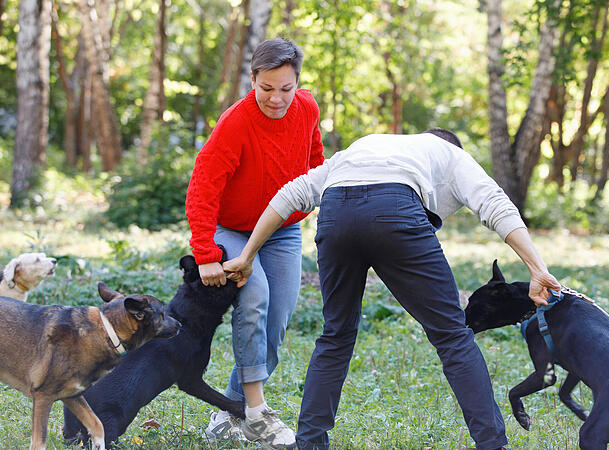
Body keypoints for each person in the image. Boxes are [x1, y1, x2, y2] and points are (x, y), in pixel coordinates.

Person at [222, 130, 561, 450]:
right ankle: (492, 444)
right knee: (452, 336)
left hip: (336, 211)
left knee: (336, 335)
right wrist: (537, 268)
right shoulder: (451, 153)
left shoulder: (366, 146)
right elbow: (495, 204)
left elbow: (289, 195)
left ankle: (310, 443)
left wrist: (247, 254)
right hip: (395, 209)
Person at [185, 37, 324, 448]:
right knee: (255, 295)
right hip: (232, 228)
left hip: (281, 230)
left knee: (277, 321)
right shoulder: (236, 122)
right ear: (252, 79)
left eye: (286, 89)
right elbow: (204, 185)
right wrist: (206, 254)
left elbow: (315, 160)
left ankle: (231, 412)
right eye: (266, 88)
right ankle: (258, 414)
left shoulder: (307, 108)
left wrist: (315, 204)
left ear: (298, 82)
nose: (276, 99)